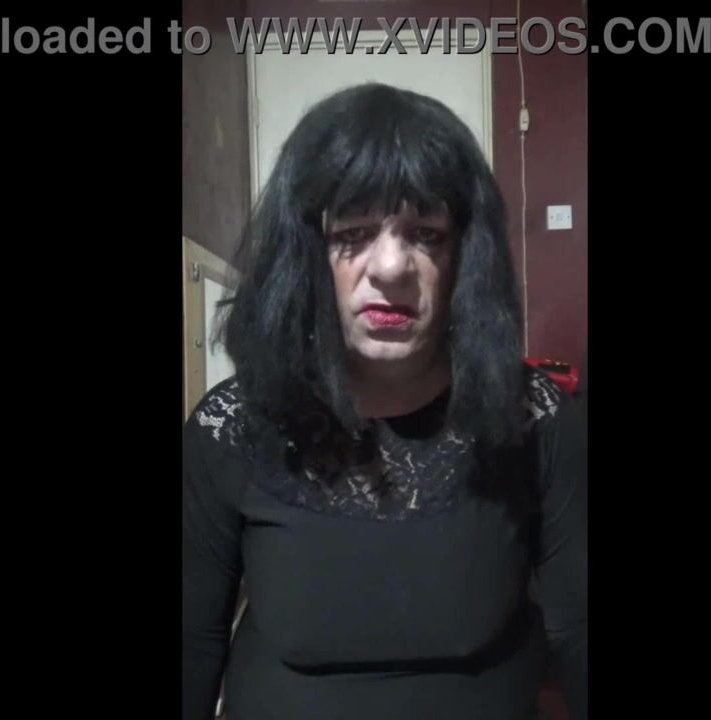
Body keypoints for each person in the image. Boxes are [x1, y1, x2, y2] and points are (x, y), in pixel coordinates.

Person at [182, 83, 587, 720]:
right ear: (307, 254)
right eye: (354, 231)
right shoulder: (231, 425)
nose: (392, 266)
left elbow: (579, 629)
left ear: (464, 256)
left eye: (426, 234)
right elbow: (193, 638)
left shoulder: (537, 418)